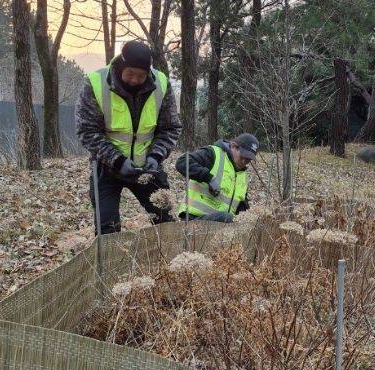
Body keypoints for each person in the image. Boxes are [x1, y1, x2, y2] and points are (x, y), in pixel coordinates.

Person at [76, 40, 182, 234]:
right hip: (107, 168)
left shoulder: (161, 84)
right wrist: (117, 160)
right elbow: (87, 131)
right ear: (121, 66)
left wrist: (156, 155)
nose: (135, 79)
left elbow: (170, 128)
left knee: (166, 223)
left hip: (148, 167)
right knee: (107, 230)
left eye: (141, 75)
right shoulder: (96, 83)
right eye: (130, 73)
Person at [175, 133, 259, 223]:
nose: (244, 161)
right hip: (193, 218)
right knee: (226, 218)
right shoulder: (213, 154)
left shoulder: (244, 177)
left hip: (222, 225)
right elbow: (182, 162)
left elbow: (241, 206)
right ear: (233, 146)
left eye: (248, 159)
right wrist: (208, 178)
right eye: (243, 156)